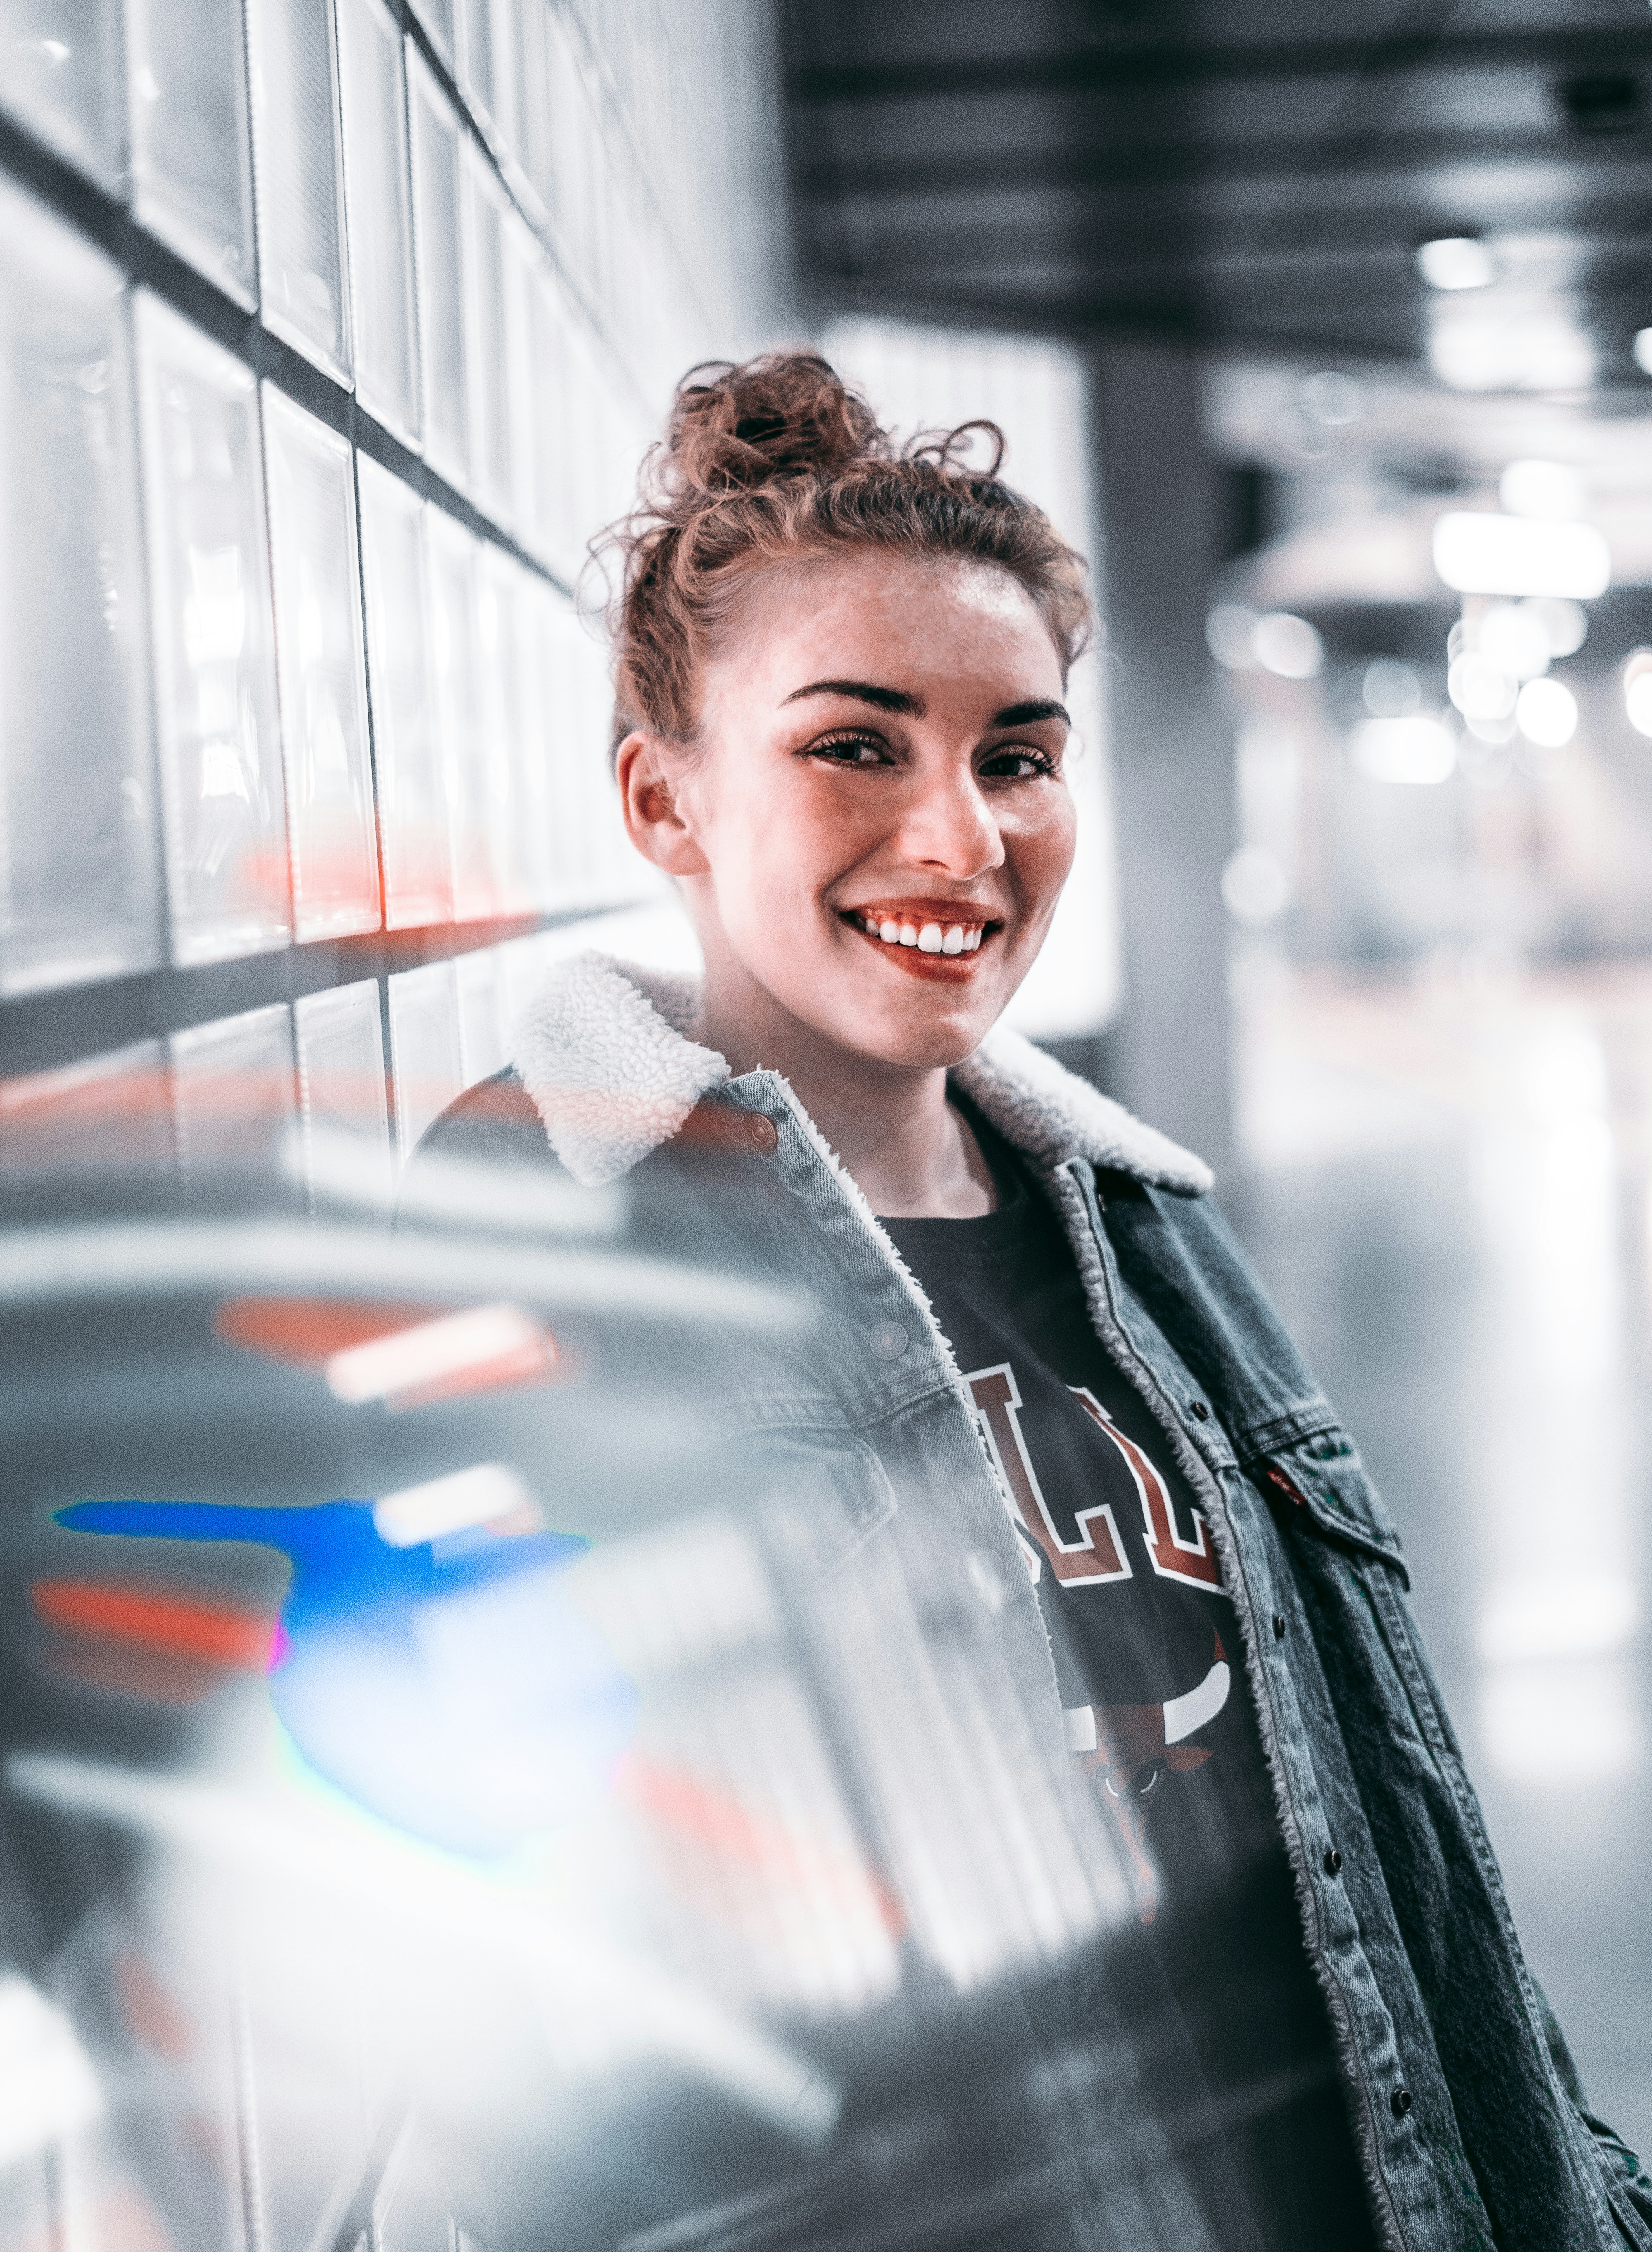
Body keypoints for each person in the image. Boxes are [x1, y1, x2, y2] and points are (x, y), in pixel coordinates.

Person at [410, 351, 1652, 2252]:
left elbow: (1390, 1857)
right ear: (664, 799)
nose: (961, 838)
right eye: (855, 745)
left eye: (1015, 752)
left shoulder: (1148, 1234)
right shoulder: (525, 1265)